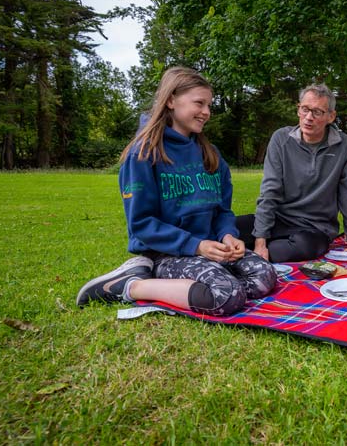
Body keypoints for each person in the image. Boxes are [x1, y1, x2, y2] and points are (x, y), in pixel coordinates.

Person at [77, 67, 277, 316]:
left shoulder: (211, 154)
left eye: (209, 105)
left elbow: (222, 211)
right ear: (171, 100)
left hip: (209, 248)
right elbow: (141, 224)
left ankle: (201, 282)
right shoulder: (143, 155)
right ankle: (131, 285)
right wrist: (196, 246)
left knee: (265, 276)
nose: (206, 112)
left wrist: (227, 235)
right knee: (227, 295)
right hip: (166, 253)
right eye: (199, 103)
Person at [235, 83, 347, 262]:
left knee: (303, 246)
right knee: (230, 229)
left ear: (331, 117)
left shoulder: (344, 144)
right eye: (305, 109)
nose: (308, 117)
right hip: (279, 220)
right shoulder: (281, 138)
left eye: (317, 112)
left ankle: (244, 256)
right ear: (298, 110)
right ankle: (254, 252)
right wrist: (260, 241)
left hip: (315, 229)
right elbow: (270, 190)